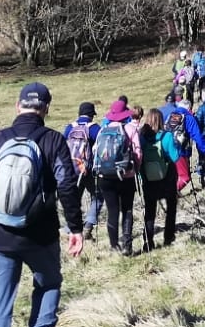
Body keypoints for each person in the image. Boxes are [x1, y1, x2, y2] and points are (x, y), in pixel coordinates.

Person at [0, 83, 82, 327]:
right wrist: (75, 228)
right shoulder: (53, 140)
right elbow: (67, 185)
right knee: (49, 285)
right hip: (41, 236)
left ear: (17, 106)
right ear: (46, 109)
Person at [92, 99, 143, 255]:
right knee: (127, 209)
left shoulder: (103, 130)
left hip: (105, 176)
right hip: (126, 176)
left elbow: (95, 151)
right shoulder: (130, 129)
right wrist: (136, 168)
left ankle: (114, 246)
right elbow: (138, 152)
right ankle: (127, 244)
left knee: (112, 211)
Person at [139, 108, 182, 250]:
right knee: (171, 206)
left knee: (150, 210)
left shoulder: (142, 137)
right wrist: (179, 145)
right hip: (166, 177)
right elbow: (175, 157)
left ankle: (148, 241)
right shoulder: (167, 136)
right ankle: (168, 237)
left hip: (148, 178)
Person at [61, 102, 102, 240]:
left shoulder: (70, 127)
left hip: (71, 168)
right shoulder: (94, 128)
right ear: (91, 115)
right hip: (87, 170)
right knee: (98, 196)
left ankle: (70, 228)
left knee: (74, 199)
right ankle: (89, 225)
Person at [160, 91, 205, 192]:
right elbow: (197, 136)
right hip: (180, 151)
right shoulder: (188, 118)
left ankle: (173, 194)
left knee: (174, 175)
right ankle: (169, 193)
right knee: (185, 177)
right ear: (189, 108)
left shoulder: (171, 115)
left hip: (166, 149)